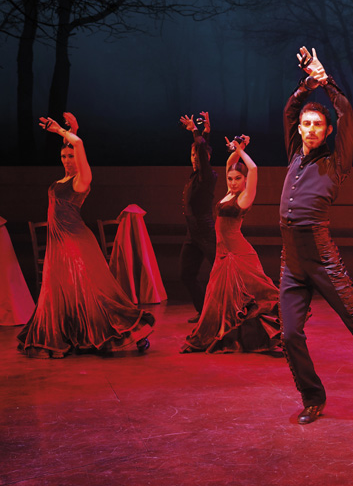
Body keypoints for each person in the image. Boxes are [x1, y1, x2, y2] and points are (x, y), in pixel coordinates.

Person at [280, 46, 353, 425]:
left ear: (328, 131)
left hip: (322, 259)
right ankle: (313, 397)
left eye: (318, 124)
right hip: (291, 262)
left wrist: (325, 81)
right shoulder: (294, 154)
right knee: (290, 334)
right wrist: (304, 87)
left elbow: (345, 112)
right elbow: (290, 110)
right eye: (306, 123)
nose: (311, 128)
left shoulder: (336, 162)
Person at [18, 113, 154, 357]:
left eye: (71, 157)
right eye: (64, 156)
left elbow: (78, 145)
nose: (67, 160)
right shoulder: (62, 180)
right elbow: (74, 144)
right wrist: (72, 130)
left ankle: (134, 332)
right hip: (57, 244)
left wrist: (62, 131)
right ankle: (69, 334)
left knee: (93, 291)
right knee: (59, 292)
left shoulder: (82, 181)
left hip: (76, 242)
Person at [182, 135, 281, 354]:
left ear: (244, 180)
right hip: (223, 254)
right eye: (230, 178)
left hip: (238, 254)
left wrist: (241, 150)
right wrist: (238, 148)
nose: (233, 182)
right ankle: (228, 336)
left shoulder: (244, 197)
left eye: (237, 178)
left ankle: (259, 338)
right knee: (220, 300)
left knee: (251, 299)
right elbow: (229, 163)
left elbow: (253, 168)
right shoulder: (228, 193)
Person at [179, 112, 217, 323]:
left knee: (221, 271)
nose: (194, 158)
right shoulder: (195, 176)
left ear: (206, 158)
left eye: (197, 155)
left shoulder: (207, 177)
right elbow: (201, 150)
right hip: (192, 233)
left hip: (205, 231)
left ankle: (236, 307)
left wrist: (196, 131)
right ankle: (203, 311)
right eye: (191, 154)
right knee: (186, 274)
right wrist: (205, 132)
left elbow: (203, 151)